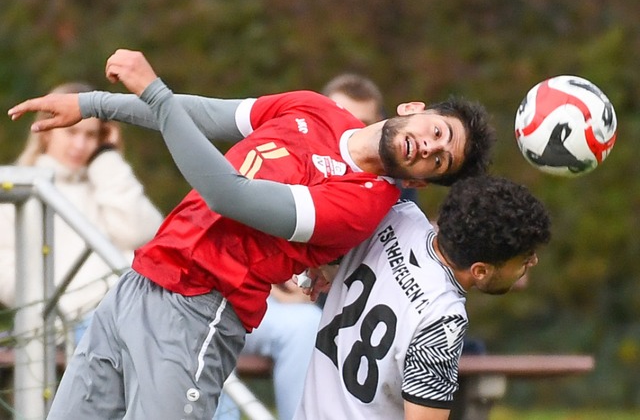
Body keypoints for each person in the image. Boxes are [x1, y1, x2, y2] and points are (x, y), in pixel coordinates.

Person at [7, 48, 495, 419]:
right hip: (138, 284)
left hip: (197, 313)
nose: (427, 147)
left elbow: (228, 195)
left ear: (417, 182)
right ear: (414, 108)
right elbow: (198, 114)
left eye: (438, 160)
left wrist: (152, 89)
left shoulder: (362, 202)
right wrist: (92, 104)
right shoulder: (315, 108)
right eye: (437, 131)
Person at [295, 175, 552, 420]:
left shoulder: (397, 216)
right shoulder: (442, 320)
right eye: (525, 258)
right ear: (480, 271)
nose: (534, 261)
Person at [215, 73, 396, 420]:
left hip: (340, 321)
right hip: (235, 292)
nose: (351, 128)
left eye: (363, 122)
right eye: (342, 115)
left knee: (306, 324)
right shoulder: (288, 151)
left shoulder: (385, 194)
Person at [0, 81, 163, 341]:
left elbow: (145, 236)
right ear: (46, 131)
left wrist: (107, 158)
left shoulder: (106, 181)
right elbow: (7, 275)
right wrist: (66, 308)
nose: (80, 145)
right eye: (71, 132)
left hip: (136, 311)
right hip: (68, 328)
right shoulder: (19, 193)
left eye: (91, 135)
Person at [322, 73, 419, 202]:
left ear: (379, 122)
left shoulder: (396, 185)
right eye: (340, 118)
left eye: (362, 124)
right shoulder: (292, 148)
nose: (349, 130)